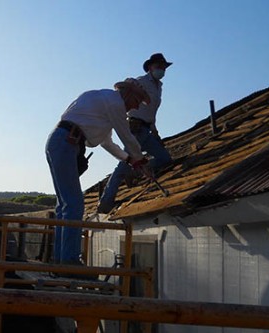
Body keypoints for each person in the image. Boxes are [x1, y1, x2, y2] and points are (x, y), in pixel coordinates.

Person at [45, 79, 150, 266]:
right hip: (67, 142)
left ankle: (60, 260)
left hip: (62, 141)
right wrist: (139, 159)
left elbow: (107, 143)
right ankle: (68, 262)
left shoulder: (103, 104)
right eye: (135, 102)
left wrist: (128, 159)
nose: (134, 108)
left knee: (65, 205)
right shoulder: (115, 103)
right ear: (128, 95)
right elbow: (126, 135)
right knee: (74, 204)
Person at [97, 53, 174, 214]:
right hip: (136, 127)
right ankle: (106, 201)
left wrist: (155, 130)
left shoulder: (159, 87)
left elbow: (152, 111)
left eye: (163, 67)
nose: (162, 69)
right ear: (150, 67)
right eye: (158, 66)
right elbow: (124, 91)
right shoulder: (140, 82)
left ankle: (134, 172)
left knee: (164, 159)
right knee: (124, 164)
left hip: (147, 129)